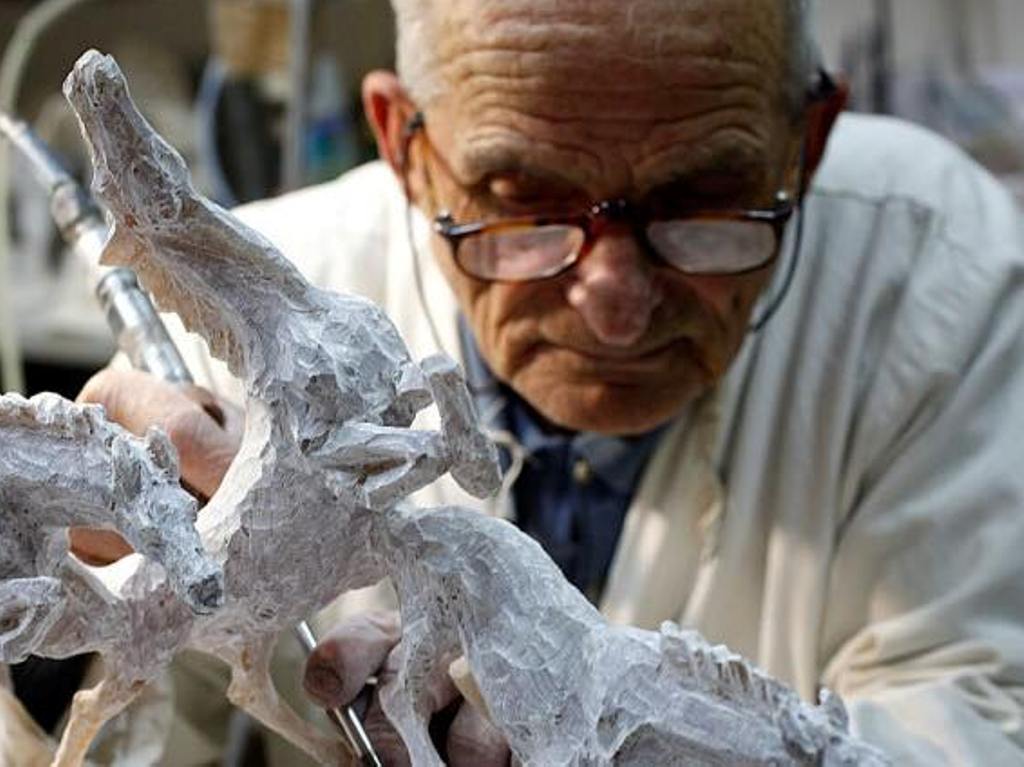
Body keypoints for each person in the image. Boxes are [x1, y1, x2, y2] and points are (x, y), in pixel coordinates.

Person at [61, 0, 1024, 763]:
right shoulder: (260, 317)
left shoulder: (940, 280)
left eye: (702, 204)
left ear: (805, 145)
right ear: (404, 147)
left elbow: (975, 716)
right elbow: (145, 732)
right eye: (525, 204)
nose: (616, 305)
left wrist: (649, 738)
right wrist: (80, 594)